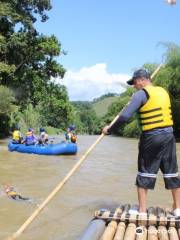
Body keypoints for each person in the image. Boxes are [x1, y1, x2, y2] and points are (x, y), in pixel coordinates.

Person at [103, 69, 180, 216]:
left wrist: (110, 129)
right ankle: (178, 209)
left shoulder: (141, 94)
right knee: (171, 172)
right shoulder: (163, 91)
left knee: (145, 172)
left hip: (152, 137)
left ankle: (142, 211)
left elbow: (125, 116)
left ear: (141, 80)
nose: (133, 86)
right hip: (169, 136)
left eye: (134, 83)